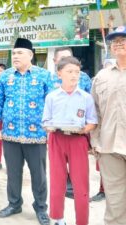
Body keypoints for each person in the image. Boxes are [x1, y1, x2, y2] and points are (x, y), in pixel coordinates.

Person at [0, 38, 51, 225]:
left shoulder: (44, 76)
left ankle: (41, 207)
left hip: (37, 135)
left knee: (39, 174)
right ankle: (14, 203)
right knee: (13, 173)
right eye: (14, 53)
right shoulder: (5, 76)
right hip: (10, 134)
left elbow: (52, 103)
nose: (15, 56)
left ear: (30, 55)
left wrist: (51, 128)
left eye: (20, 53)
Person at [42, 56, 97, 225]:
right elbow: (45, 121)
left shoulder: (86, 97)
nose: (74, 75)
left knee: (81, 183)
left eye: (77, 72)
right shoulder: (52, 97)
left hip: (77, 141)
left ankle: (82, 221)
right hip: (56, 140)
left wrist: (84, 129)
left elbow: (92, 122)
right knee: (57, 181)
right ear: (59, 74)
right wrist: (50, 127)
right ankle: (58, 218)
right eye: (69, 71)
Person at [91, 25, 126, 225]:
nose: (119, 43)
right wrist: (95, 141)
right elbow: (94, 111)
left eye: (124, 39)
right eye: (115, 40)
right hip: (109, 147)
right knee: (114, 201)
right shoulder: (101, 77)